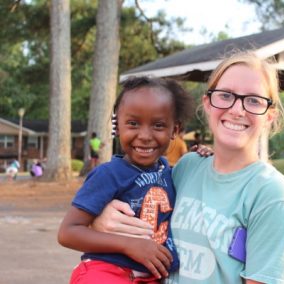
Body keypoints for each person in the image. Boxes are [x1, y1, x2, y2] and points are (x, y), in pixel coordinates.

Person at [93, 51, 284, 283]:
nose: (237, 110)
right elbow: (141, 209)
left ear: (269, 116)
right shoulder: (188, 167)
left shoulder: (273, 196)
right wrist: (100, 220)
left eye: (254, 100)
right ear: (207, 103)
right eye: (226, 95)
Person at [58, 77, 195, 284]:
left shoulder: (170, 172)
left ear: (174, 130)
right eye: (133, 123)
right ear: (117, 127)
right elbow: (68, 232)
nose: (145, 135)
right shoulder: (108, 174)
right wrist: (127, 244)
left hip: (152, 277)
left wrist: (203, 154)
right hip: (106, 273)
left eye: (158, 125)